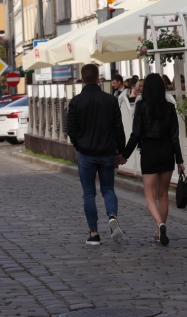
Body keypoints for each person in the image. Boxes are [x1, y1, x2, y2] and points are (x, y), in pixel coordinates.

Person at [120, 73, 184, 246]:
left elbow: (136, 134)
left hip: (149, 152)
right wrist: (179, 160)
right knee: (163, 194)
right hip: (167, 152)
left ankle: (160, 224)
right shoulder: (169, 108)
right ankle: (159, 231)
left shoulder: (141, 106)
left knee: (150, 195)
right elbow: (175, 137)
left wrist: (124, 155)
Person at [66, 64, 126, 245]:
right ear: (98, 78)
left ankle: (94, 233)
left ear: (83, 79)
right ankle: (112, 215)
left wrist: (79, 144)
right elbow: (118, 128)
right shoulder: (110, 100)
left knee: (89, 194)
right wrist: (121, 151)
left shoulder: (76, 102)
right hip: (107, 152)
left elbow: (71, 129)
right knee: (108, 189)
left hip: (86, 153)